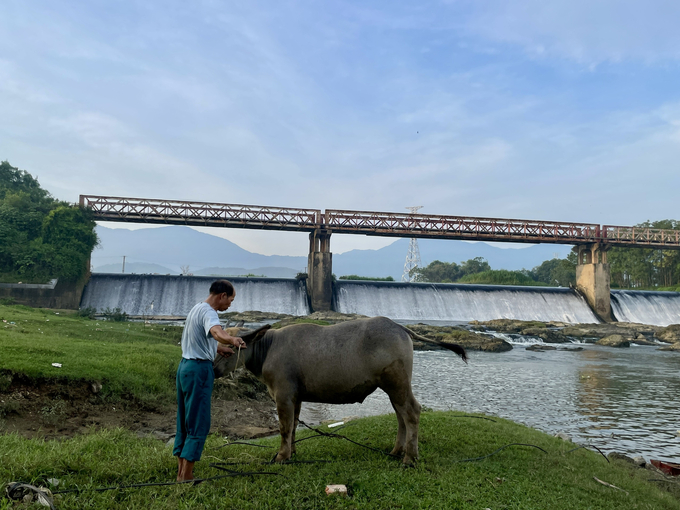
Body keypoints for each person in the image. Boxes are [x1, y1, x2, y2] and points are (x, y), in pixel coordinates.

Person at [174, 279, 246, 482]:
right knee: (199, 422)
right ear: (222, 295)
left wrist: (218, 348)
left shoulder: (197, 308)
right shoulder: (209, 313)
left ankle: (181, 471)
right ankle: (186, 477)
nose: (229, 305)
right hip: (199, 371)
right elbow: (216, 331)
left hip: (185, 367)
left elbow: (198, 338)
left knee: (185, 421)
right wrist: (231, 339)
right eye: (230, 300)